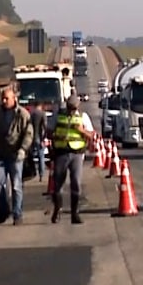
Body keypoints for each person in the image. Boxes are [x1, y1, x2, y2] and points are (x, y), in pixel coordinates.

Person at [0, 86, 34, 225]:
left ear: (14, 99)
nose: (4, 101)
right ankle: (4, 210)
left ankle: (17, 214)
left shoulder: (22, 114)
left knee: (16, 186)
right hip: (2, 154)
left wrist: (23, 149)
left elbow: (28, 133)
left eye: (7, 98)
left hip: (15, 155)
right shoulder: (0, 113)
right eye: (3, 98)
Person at [51, 95, 96, 224]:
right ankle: (57, 208)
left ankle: (74, 214)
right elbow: (49, 130)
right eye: (70, 108)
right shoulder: (58, 115)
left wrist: (81, 131)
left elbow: (91, 135)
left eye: (74, 108)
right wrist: (56, 136)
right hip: (61, 152)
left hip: (77, 153)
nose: (71, 111)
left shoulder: (83, 117)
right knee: (57, 184)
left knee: (76, 182)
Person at [29, 101, 47, 181]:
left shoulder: (31, 114)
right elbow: (44, 127)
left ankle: (32, 171)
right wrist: (44, 138)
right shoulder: (42, 114)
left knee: (31, 155)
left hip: (32, 137)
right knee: (41, 156)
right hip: (39, 137)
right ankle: (41, 174)